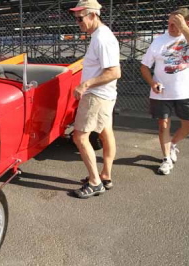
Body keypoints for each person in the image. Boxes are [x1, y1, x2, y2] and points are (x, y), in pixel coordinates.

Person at [69, 0, 121, 199]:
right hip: (105, 95)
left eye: (80, 18)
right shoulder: (100, 35)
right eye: (76, 18)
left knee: (80, 137)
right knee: (106, 133)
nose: (78, 22)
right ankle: (105, 175)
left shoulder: (102, 39)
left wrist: (85, 84)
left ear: (93, 15)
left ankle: (95, 182)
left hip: (97, 96)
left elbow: (114, 72)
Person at [140, 8, 189, 175]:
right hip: (162, 92)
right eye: (169, 23)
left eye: (176, 23)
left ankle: (173, 144)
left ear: (187, 23)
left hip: (187, 92)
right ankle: (166, 159)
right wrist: (152, 82)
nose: (171, 27)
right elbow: (144, 66)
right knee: (163, 125)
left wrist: (185, 30)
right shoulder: (159, 41)